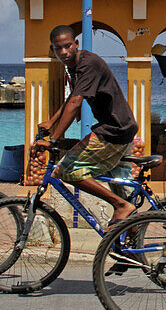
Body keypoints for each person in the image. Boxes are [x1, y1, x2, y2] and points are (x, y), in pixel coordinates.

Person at [33, 24, 139, 225]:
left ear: (76, 44)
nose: (63, 52)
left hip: (114, 131)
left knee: (68, 170)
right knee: (121, 189)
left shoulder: (88, 64)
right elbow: (72, 97)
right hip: (120, 128)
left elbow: (76, 102)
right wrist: (52, 121)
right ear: (53, 49)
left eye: (67, 46)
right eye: (58, 48)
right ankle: (127, 238)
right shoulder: (74, 66)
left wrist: (54, 139)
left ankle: (121, 206)